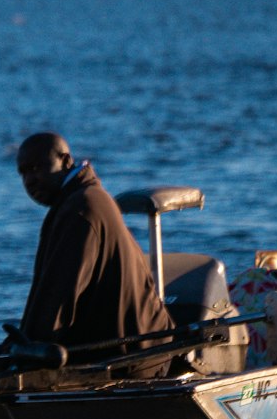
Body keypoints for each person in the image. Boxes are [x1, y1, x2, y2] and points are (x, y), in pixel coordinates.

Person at [12, 131, 174, 360]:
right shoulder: (78, 201)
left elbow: (58, 297)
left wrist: (24, 350)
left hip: (138, 355)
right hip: (124, 346)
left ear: (66, 161)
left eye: (36, 168)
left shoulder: (82, 209)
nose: (29, 180)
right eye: (23, 173)